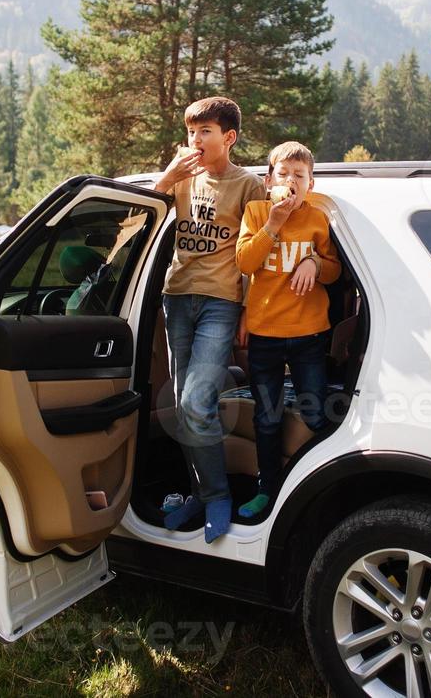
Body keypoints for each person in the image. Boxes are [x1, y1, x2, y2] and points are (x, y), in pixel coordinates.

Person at [154, 97, 263, 543]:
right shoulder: (182, 177)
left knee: (196, 401)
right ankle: (198, 492)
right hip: (176, 297)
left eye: (205, 133)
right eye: (191, 133)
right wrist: (167, 177)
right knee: (182, 404)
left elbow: (260, 255)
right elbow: (142, 216)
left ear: (229, 137)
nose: (195, 141)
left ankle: (217, 495)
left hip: (221, 301)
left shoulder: (248, 185)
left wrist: (249, 310)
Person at [234, 141, 341, 520]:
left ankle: (322, 483)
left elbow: (334, 269)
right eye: (284, 174)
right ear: (269, 181)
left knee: (315, 411)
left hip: (309, 333)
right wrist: (273, 224)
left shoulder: (317, 218)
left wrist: (314, 261)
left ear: (310, 184)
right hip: (266, 333)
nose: (291, 181)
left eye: (300, 175)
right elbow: (246, 262)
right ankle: (268, 487)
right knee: (267, 416)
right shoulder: (257, 211)